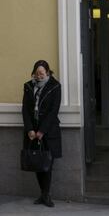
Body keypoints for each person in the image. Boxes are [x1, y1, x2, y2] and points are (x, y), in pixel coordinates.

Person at [22, 60, 62, 207]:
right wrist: (30, 129)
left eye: (42, 73)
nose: (39, 76)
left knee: (47, 164)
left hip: (49, 131)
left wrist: (42, 131)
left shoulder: (55, 86)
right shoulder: (28, 86)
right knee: (36, 163)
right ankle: (43, 194)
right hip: (32, 132)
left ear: (48, 72)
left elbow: (53, 111)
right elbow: (25, 109)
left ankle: (46, 195)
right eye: (37, 73)